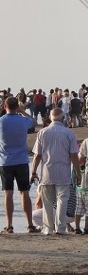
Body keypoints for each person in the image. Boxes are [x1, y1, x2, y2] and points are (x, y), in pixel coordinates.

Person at [31, 107, 81, 236]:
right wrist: (78, 172)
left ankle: (48, 228)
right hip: (64, 172)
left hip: (47, 172)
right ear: (63, 118)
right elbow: (74, 155)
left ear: (50, 118)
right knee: (62, 199)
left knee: (47, 201)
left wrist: (33, 171)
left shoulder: (42, 132)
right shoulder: (69, 133)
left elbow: (37, 155)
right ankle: (60, 228)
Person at [0, 97, 37, 233]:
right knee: (24, 192)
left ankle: (9, 225)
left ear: (5, 106)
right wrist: (23, 111)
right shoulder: (23, 120)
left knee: (8, 193)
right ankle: (30, 224)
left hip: (6, 161)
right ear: (17, 107)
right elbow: (33, 122)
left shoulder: (2, 121)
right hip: (21, 160)